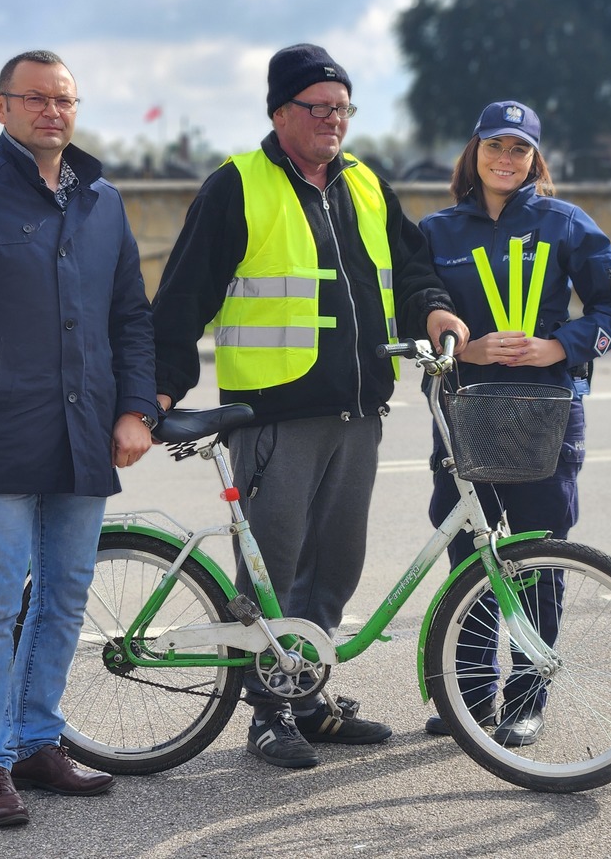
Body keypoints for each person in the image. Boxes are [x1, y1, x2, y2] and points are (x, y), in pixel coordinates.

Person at [150, 43, 468, 770]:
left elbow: (411, 269)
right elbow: (182, 300)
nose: (334, 120)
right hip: (274, 418)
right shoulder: (237, 185)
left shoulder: (365, 184)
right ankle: (269, 715)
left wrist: (434, 309)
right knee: (274, 569)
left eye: (343, 107)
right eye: (318, 107)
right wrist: (158, 388)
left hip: (358, 413)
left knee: (334, 567)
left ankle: (309, 697)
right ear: (280, 113)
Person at [0, 49, 159, 827]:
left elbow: (130, 317)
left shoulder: (103, 201)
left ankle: (37, 741)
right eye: (36, 98)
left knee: (66, 595)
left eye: (64, 99)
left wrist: (135, 409)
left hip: (84, 433)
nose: (52, 111)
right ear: (1, 107)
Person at [418, 100, 611, 745]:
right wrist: (468, 348)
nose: (505, 159)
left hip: (547, 411)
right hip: (466, 410)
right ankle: (468, 697)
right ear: (474, 151)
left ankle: (525, 699)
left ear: (536, 159)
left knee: (540, 556)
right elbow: (411, 311)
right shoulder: (436, 231)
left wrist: (558, 346)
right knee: (469, 555)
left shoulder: (565, 223)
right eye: (495, 145)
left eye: (519, 148)